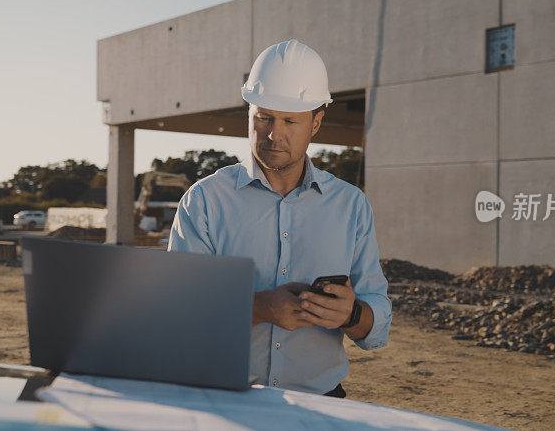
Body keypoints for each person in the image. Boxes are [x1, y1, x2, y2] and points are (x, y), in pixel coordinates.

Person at [167, 39, 391, 398]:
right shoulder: (204, 201)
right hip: (224, 399)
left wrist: (350, 315)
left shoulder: (350, 206)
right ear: (249, 114)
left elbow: (378, 319)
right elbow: (177, 311)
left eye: (290, 120)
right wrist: (258, 307)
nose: (274, 134)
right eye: (264, 117)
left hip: (321, 404)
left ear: (316, 122)